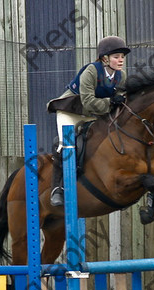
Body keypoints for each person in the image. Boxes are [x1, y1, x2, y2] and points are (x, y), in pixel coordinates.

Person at [46, 36, 130, 206]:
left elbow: (120, 100)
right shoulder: (91, 71)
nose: (120, 60)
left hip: (94, 113)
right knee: (65, 143)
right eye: (116, 57)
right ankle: (57, 189)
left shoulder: (121, 76)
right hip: (72, 110)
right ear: (105, 58)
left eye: (122, 56)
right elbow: (88, 102)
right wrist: (111, 102)